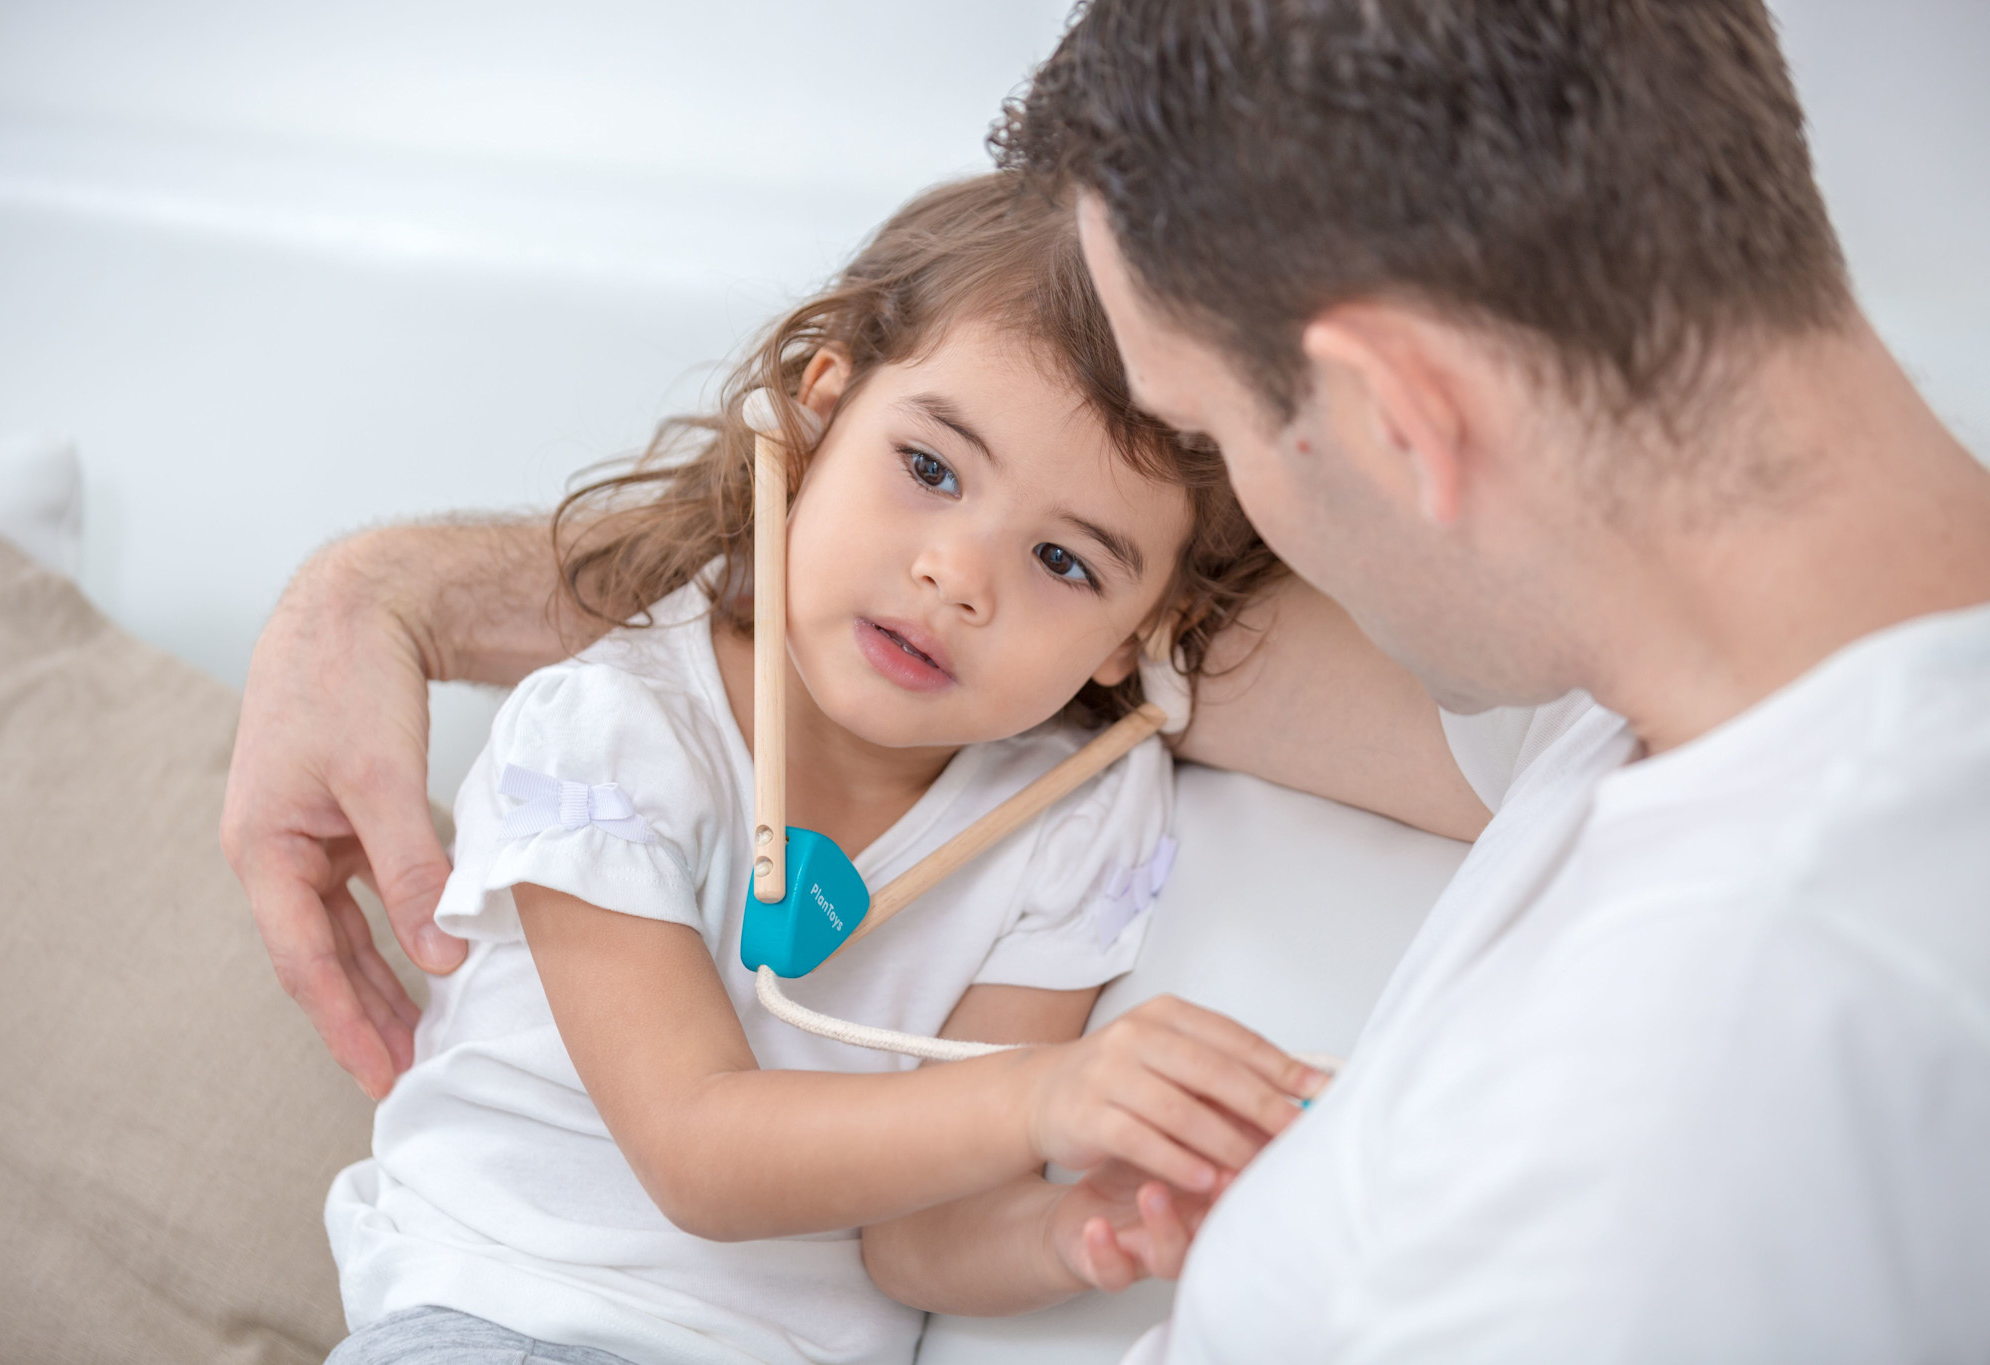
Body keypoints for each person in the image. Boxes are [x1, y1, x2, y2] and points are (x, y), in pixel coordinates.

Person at [228, 0, 1990, 1357]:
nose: (968, 575)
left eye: (1211, 431)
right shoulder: (1662, 667)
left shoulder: (1711, 1126)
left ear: (1404, 419)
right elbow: (921, 625)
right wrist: (384, 592)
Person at [318, 173, 1319, 1365]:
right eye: (931, 469)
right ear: (815, 416)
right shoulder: (614, 731)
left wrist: (1075, 1233)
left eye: (1063, 561)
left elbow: (917, 1244)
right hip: (504, 1320)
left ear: (1132, 636)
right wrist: (1049, 1096)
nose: (957, 578)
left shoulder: (1078, 818)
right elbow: (695, 1151)